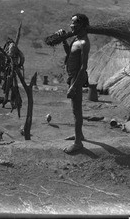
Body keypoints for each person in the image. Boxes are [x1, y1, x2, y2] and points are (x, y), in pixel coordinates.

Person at [58, 13, 90, 154]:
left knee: (77, 111)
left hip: (77, 78)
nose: (71, 25)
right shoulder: (76, 40)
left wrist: (74, 86)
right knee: (74, 109)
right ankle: (80, 135)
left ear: (82, 25)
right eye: (71, 22)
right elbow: (70, 54)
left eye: (74, 23)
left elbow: (83, 67)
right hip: (72, 78)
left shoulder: (84, 42)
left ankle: (78, 143)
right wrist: (64, 41)